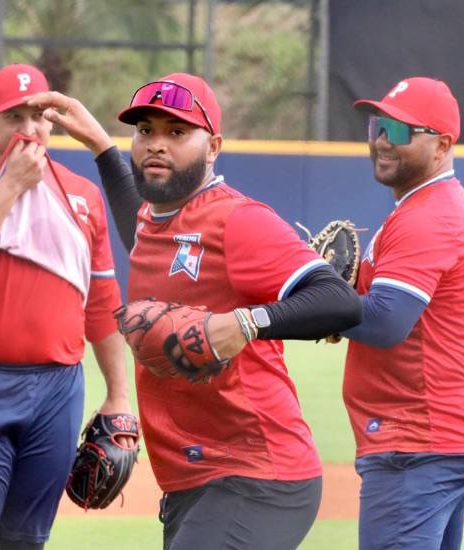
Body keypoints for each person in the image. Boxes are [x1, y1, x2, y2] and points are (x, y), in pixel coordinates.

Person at [26, 74, 362, 550]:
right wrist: (101, 145)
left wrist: (247, 323)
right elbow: (136, 225)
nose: (157, 144)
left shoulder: (238, 219)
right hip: (192, 480)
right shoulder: (155, 220)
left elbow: (338, 301)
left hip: (257, 474)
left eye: (177, 132)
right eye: (146, 131)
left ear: (213, 147)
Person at [0, 63, 135, 550]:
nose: (28, 129)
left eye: (38, 115)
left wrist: (119, 394)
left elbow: (101, 302)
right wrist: (11, 184)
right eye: (13, 117)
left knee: (26, 541)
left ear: (53, 120)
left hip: (57, 391)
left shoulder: (83, 196)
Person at [339, 77, 464, 549]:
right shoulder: (421, 206)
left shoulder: (428, 214)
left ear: (443, 144)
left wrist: (315, 302)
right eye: (378, 126)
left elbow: (386, 321)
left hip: (417, 441)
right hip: (432, 439)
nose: (384, 140)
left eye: (402, 131)